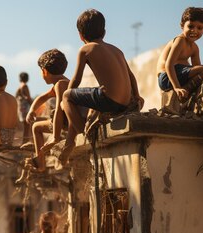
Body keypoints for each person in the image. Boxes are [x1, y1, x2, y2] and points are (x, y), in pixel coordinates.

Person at [59, 9, 143, 167]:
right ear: (104, 32)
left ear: (80, 35)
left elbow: (76, 80)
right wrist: (137, 96)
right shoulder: (117, 50)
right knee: (94, 95)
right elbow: (131, 76)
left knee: (67, 96)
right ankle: (79, 131)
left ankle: (82, 134)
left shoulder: (85, 49)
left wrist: (65, 105)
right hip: (126, 102)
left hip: (109, 100)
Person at [16, 49, 70, 179]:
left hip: (65, 122)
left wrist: (55, 137)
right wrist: (32, 110)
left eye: (41, 71)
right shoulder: (63, 82)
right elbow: (42, 97)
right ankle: (38, 155)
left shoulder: (60, 85)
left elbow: (58, 109)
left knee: (36, 127)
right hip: (66, 120)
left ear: (45, 71)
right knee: (39, 120)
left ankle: (40, 163)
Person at [157, 7, 203, 102]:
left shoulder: (195, 48)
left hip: (178, 74)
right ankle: (181, 93)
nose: (194, 30)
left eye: (199, 28)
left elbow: (197, 68)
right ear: (182, 26)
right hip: (166, 77)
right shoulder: (180, 40)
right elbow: (168, 65)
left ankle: (186, 94)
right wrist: (177, 87)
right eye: (190, 26)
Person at [16, 72, 34, 147]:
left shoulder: (19, 87)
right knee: (27, 125)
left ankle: (24, 142)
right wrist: (34, 106)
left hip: (21, 108)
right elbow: (28, 98)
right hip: (25, 108)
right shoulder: (25, 86)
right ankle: (25, 142)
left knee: (26, 125)